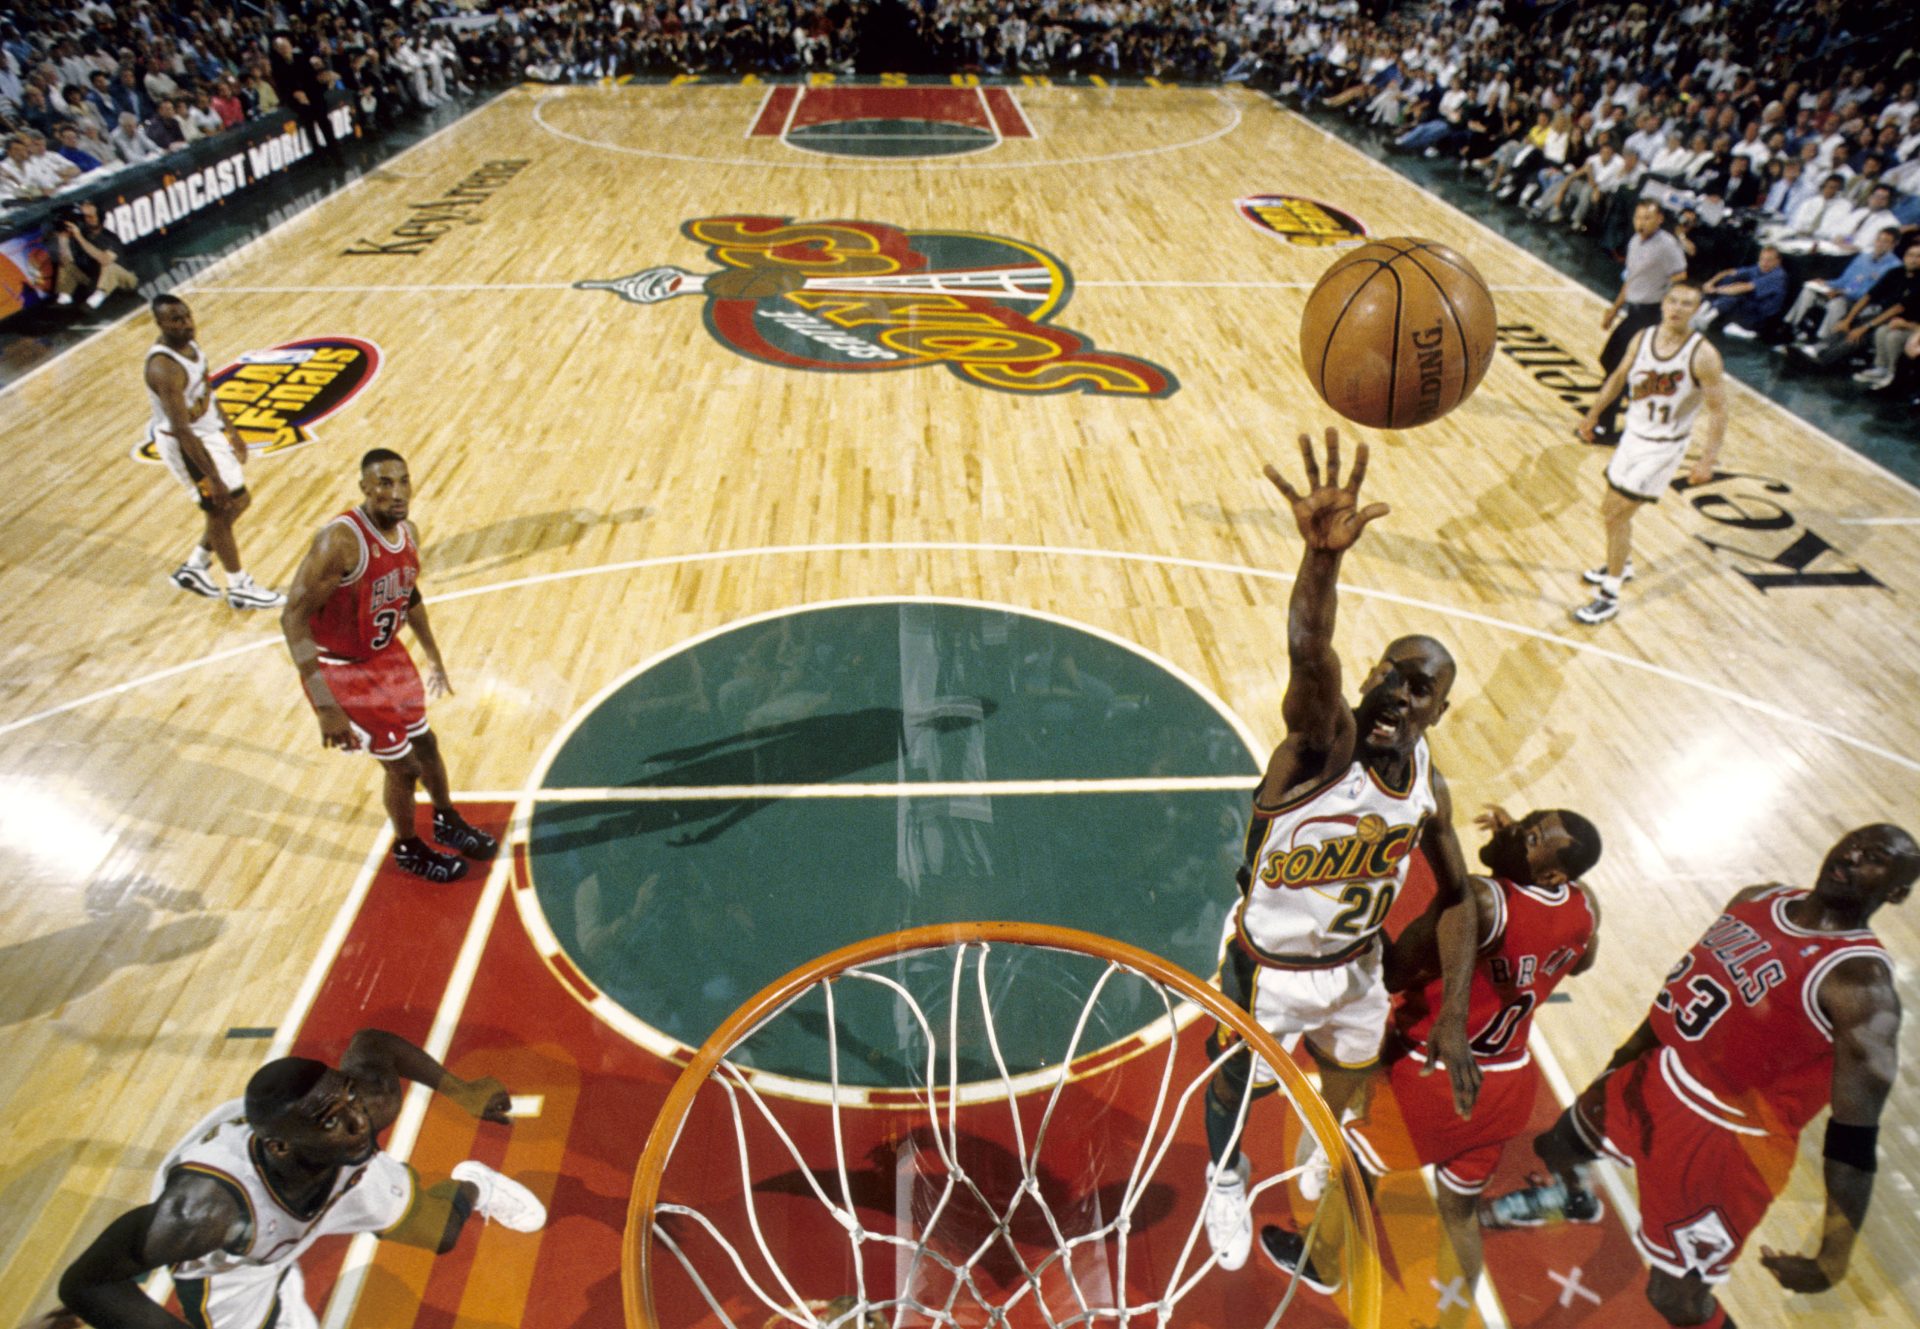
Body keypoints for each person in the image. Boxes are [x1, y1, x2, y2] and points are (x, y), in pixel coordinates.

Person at [1200, 430, 1482, 1273]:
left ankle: (1327, 1145)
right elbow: (1307, 652)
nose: (1398, 693)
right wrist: (1319, 562)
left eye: (1419, 687)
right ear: (1369, 675)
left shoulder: (1429, 785)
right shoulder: (1323, 746)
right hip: (1267, 963)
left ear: (1440, 710)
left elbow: (1460, 893)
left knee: (1351, 1080)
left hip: (1355, 966)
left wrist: (1459, 1013)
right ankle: (1224, 1174)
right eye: (1390, 674)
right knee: (1229, 1083)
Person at [1480, 825, 1920, 1329]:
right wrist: (1616, 1066)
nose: (1854, 852)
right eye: (1857, 840)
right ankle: (1573, 1198)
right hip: (1659, 1073)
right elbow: (1677, 990)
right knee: (1558, 1145)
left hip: (1726, 1144)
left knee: (1675, 1299)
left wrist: (1832, 1257)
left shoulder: (1861, 986)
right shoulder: (1759, 898)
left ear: (1898, 892)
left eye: (1878, 857)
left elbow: (1853, 1142)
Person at [1263, 803, 1604, 1305]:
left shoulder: (1483, 902)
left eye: (1529, 839)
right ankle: (1456, 1316)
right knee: (1459, 1212)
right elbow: (1581, 961)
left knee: (1355, 1158)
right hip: (1507, 1082)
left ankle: (1322, 1259)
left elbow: (1394, 974)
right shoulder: (1584, 904)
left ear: (1549, 871)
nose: (1513, 833)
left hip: (1440, 1077)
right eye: (1525, 822)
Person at [49, 1028, 546, 1329]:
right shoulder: (203, 1213)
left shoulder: (359, 1114)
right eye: (333, 1118)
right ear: (280, 1144)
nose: (358, 1122)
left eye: (351, 1100)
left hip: (330, 1177)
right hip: (238, 1260)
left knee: (441, 1232)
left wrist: (461, 1090)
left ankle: (475, 1183)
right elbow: (87, 1283)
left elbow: (373, 1043)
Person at [279, 449, 498, 884]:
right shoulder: (339, 542)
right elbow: (292, 618)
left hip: (387, 656)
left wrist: (433, 656)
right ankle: (408, 847)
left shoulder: (409, 533)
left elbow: (409, 596)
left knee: (427, 744)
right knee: (403, 767)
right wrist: (324, 705)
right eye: (383, 483)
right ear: (364, 487)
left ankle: (445, 820)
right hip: (342, 668)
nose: (396, 493)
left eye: (403, 482)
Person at [1572, 283, 1727, 625]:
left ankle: (1609, 595)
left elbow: (1718, 411)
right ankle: (1621, 563)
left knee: (1615, 514)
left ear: (1697, 310)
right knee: (1612, 513)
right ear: (1663, 303)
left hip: (1663, 448)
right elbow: (1618, 377)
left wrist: (1707, 460)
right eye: (1673, 300)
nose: (1677, 308)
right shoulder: (1642, 338)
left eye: (1687, 304)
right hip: (1632, 437)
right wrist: (1593, 413)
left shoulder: (1703, 355)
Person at [143, 295, 284, 611]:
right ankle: (239, 587)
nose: (185, 324)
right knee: (220, 507)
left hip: (206, 434)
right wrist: (211, 476)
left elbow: (207, 390)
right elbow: (181, 430)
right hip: (185, 444)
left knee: (240, 500)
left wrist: (231, 429)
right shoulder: (164, 368)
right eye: (175, 320)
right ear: (160, 324)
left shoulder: (191, 347)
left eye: (187, 316)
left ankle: (195, 567)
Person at [1592, 202, 1691, 442]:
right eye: (1638, 217)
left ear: (1659, 219)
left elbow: (1680, 277)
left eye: (1647, 218)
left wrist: (1669, 311)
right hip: (1632, 310)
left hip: (1649, 314)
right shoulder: (1635, 242)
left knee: (1616, 366)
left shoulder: (1667, 245)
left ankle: (1605, 426)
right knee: (1609, 360)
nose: (1641, 222)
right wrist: (1614, 309)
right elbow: (1632, 279)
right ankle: (1638, 404)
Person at [1777, 225, 1903, 346]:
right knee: (1808, 290)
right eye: (1878, 240)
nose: (1880, 244)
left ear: (1894, 244)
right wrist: (1825, 283)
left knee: (1836, 304)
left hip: (1861, 302)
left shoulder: (1894, 267)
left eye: (1885, 242)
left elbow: (1872, 293)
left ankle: (1821, 340)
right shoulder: (1863, 257)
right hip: (1843, 292)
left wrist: (1843, 293)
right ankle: (1790, 326)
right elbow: (1844, 280)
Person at [269, 34, 343, 166]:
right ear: (277, 50)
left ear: (290, 46)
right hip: (296, 98)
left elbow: (311, 77)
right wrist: (296, 93)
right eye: (281, 47)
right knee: (309, 125)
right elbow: (283, 87)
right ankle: (320, 156)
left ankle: (335, 152)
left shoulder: (301, 58)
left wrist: (313, 89)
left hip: (311, 93)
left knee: (324, 121)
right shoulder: (277, 67)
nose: (285, 49)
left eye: (286, 46)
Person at [52, 200, 137, 309]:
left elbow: (105, 260)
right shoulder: (81, 235)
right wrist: (63, 239)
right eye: (85, 217)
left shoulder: (109, 237)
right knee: (66, 266)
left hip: (124, 280)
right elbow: (65, 261)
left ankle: (94, 301)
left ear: (99, 219)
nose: (88, 220)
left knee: (109, 266)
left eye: (91, 217)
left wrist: (80, 238)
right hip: (95, 280)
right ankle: (64, 299)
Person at [1693, 245, 1789, 339]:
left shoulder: (1778, 276)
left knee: (1734, 295)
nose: (1764, 263)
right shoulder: (1758, 268)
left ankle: (1706, 320)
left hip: (1761, 316)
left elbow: (1746, 287)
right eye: (1762, 259)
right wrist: (1710, 283)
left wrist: (1716, 290)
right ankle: (1699, 313)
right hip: (1749, 306)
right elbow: (1729, 272)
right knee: (1728, 280)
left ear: (1777, 262)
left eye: (1769, 260)